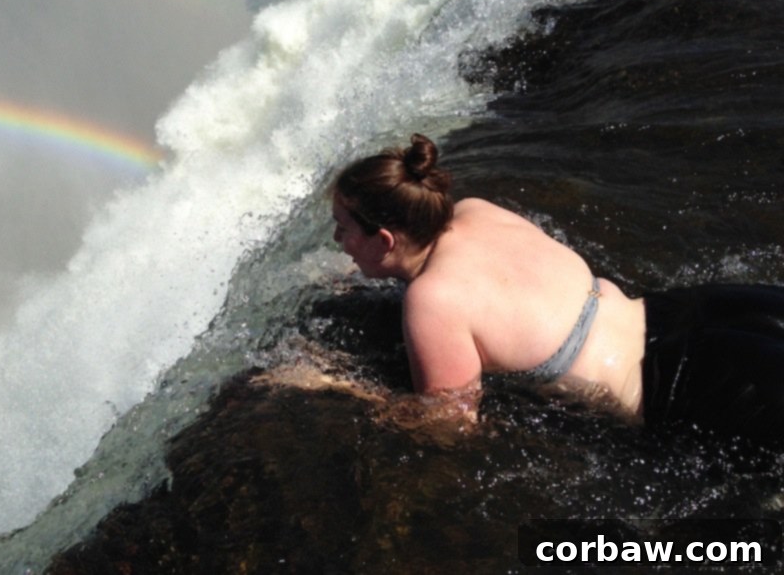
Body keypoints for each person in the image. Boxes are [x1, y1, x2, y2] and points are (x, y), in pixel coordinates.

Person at [331, 133, 784, 442]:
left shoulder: (430, 302)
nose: (339, 242)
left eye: (343, 229)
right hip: (691, 312)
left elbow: (449, 427)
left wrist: (339, 386)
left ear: (386, 239)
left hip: (676, 382)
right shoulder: (474, 211)